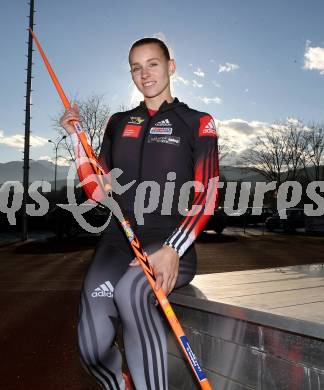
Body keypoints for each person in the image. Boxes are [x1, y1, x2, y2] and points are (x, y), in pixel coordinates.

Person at [60, 37, 219, 390]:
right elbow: (98, 190)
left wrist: (173, 248)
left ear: (170, 66)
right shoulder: (118, 122)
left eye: (153, 63)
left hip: (168, 240)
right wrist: (76, 139)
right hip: (119, 241)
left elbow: (207, 194)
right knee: (91, 344)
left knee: (132, 291)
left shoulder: (197, 122)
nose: (144, 73)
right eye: (136, 67)